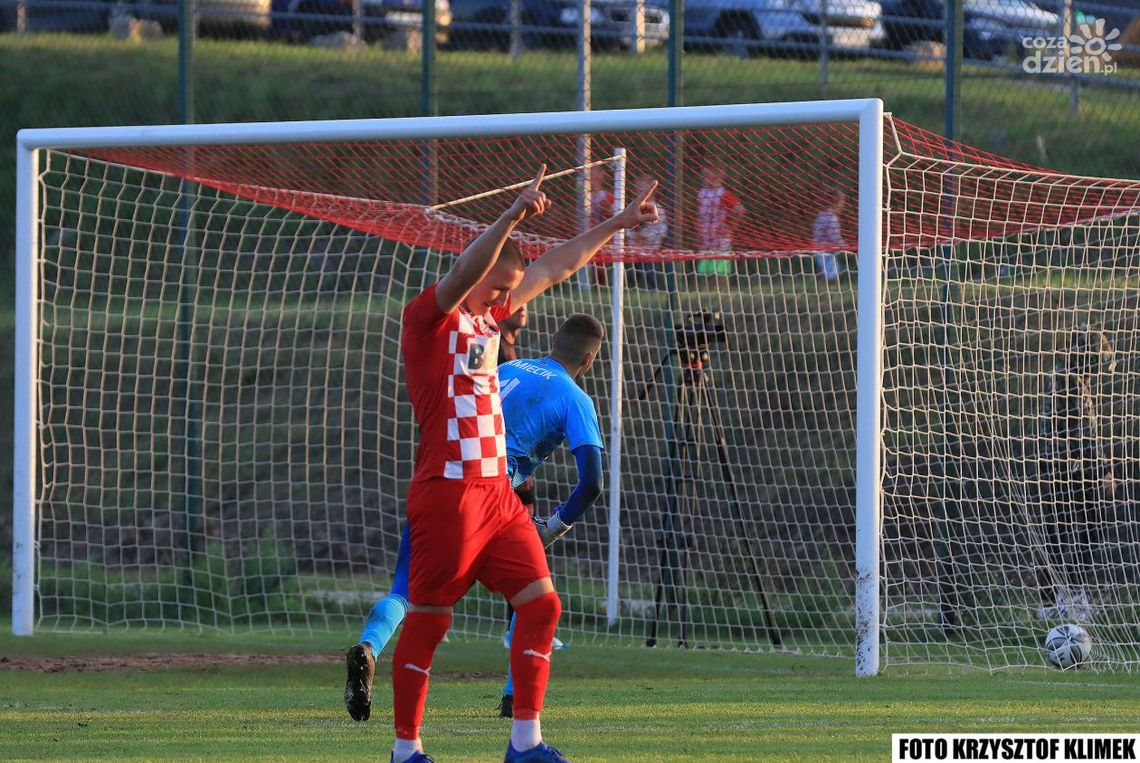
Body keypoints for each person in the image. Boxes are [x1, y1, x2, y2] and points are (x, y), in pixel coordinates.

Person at [344, 165, 657, 763]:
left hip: (497, 494)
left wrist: (618, 223)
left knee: (542, 604)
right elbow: (465, 272)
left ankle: (525, 745)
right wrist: (511, 214)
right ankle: (405, 751)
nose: (506, 304)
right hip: (449, 490)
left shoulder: (488, 322)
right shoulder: (428, 321)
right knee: (431, 618)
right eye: (499, 289)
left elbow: (556, 266)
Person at [494, 313, 606, 718]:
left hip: (447, 477)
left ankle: (370, 643)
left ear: (554, 339)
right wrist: (553, 526)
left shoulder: (508, 366)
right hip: (492, 494)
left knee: (416, 591)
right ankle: (515, 700)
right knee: (539, 599)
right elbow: (592, 482)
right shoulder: (575, 398)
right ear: (590, 360)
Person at [1036, 324, 1117, 623]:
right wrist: (1101, 468)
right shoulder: (1064, 379)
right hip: (1066, 467)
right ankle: (1066, 597)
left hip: (1067, 465)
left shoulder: (1070, 377)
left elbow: (1085, 429)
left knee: (1069, 531)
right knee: (1072, 532)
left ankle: (1059, 596)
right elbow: (1079, 431)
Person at [695, 163, 744, 292]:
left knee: (720, 272)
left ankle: (723, 295)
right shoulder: (701, 193)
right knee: (705, 272)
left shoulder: (723, 194)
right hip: (705, 240)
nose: (705, 178)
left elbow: (739, 210)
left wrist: (730, 227)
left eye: (708, 175)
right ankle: (706, 295)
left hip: (721, 241)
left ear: (719, 176)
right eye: (703, 175)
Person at [625, 174, 668, 291]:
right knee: (631, 274)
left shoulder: (657, 208)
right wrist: (633, 236)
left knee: (650, 272)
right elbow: (625, 225)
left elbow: (661, 229)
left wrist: (644, 236)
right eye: (637, 189)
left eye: (643, 189)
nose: (640, 193)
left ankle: (654, 290)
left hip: (650, 250)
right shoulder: (631, 208)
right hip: (634, 250)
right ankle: (629, 291)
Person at [811, 189, 847, 283]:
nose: (843, 205)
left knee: (831, 274)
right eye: (842, 202)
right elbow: (834, 236)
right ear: (837, 203)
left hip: (819, 250)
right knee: (832, 276)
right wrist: (845, 247)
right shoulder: (831, 218)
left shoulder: (820, 215)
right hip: (825, 252)